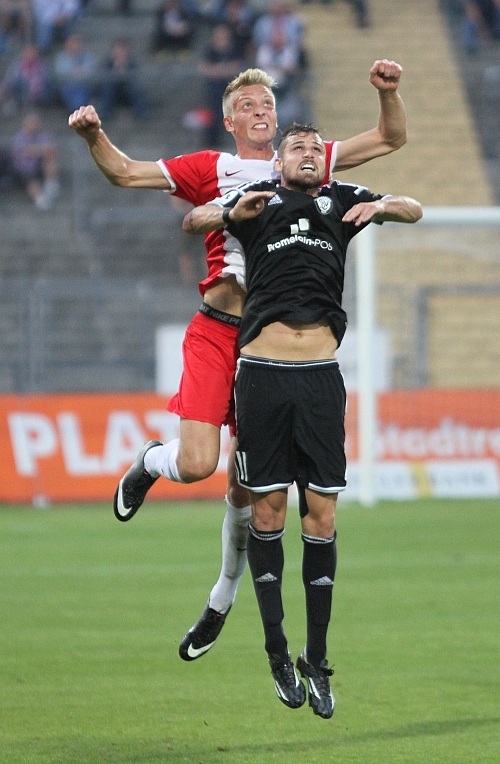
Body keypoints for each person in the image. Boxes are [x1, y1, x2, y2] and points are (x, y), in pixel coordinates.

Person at [67, 60, 407, 664]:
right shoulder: (211, 168)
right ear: (229, 121)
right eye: (247, 105)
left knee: (247, 488)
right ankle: (151, 461)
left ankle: (221, 600)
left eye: (267, 103)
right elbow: (124, 172)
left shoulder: (303, 161)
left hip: (266, 350)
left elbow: (388, 138)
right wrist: (94, 135)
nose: (261, 111)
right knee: (197, 463)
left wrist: (389, 93)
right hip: (218, 331)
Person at [182, 123, 422, 716]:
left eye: (317, 147)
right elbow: (193, 220)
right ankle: (276, 652)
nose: (309, 153)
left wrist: (384, 206)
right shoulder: (257, 200)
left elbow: (414, 208)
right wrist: (230, 211)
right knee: (267, 513)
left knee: (322, 517)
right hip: (261, 374)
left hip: (319, 377)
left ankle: (316, 659)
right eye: (298, 147)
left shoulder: (341, 200)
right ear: (281, 161)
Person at [197, 24, 244, 148]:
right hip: (213, 87)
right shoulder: (210, 49)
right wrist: (218, 71)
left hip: (229, 86)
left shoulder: (233, 49)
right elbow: (204, 66)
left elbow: (236, 66)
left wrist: (222, 71)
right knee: (212, 112)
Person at [11, 110, 60, 210]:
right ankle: (41, 200)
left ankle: (51, 185)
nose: (34, 125)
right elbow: (26, 151)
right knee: (29, 178)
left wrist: (37, 150)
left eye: (36, 122)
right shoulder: (19, 137)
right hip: (23, 168)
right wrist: (42, 150)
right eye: (32, 123)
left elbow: (53, 149)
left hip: (39, 165)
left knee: (50, 160)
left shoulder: (43, 135)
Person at [99, 37, 148, 120]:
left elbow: (136, 76)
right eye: (118, 49)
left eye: (123, 50)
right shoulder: (108, 63)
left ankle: (141, 114)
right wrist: (116, 67)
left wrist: (124, 67)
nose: (120, 52)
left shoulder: (132, 63)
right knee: (108, 88)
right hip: (113, 89)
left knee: (134, 89)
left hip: (127, 89)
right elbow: (103, 77)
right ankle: (105, 114)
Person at [0, 43, 51, 114]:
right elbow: (9, 78)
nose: (28, 55)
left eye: (31, 52)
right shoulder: (17, 64)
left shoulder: (41, 66)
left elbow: (40, 83)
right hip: (19, 91)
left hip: (36, 94)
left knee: (19, 81)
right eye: (27, 52)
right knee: (11, 83)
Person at [54, 33, 96, 112]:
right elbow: (62, 74)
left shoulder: (87, 56)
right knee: (70, 91)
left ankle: (78, 111)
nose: (74, 45)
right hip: (67, 87)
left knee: (83, 91)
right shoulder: (61, 58)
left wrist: (75, 72)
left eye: (76, 42)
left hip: (83, 86)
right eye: (72, 42)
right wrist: (78, 72)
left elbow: (90, 71)